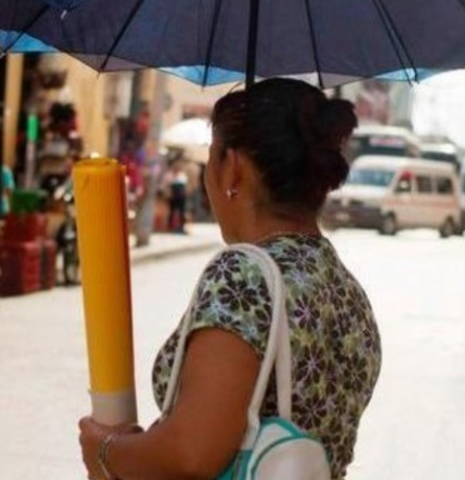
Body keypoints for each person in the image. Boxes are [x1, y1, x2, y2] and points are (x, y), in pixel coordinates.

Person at [79, 78, 382, 480]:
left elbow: (191, 454)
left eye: (212, 158)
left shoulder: (243, 276)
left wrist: (105, 449)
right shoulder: (345, 290)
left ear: (233, 168)